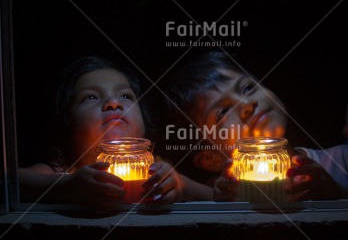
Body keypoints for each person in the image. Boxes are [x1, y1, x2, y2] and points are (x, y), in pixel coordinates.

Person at [160, 50, 348, 202]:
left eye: (247, 88)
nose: (247, 104)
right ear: (210, 158)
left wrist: (333, 194)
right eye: (223, 112)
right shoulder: (227, 193)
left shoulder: (346, 160)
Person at [18, 55, 212, 211]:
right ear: (66, 123)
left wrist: (182, 186)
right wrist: (66, 188)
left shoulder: (155, 167)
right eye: (91, 97)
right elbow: (10, 182)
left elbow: (215, 196)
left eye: (125, 96)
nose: (113, 102)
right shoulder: (64, 171)